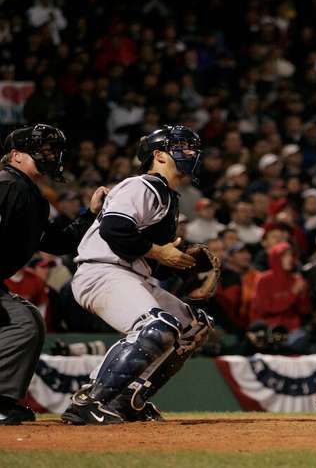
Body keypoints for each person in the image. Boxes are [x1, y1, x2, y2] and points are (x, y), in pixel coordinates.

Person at [60, 125, 214, 425]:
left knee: (194, 326)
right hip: (101, 270)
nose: (191, 153)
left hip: (129, 274)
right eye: (182, 147)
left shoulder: (169, 197)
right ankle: (89, 400)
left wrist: (184, 267)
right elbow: (114, 229)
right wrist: (160, 252)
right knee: (157, 326)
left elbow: (147, 259)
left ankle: (126, 398)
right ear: (158, 155)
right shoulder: (141, 185)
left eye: (193, 147)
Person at [0, 124, 107, 426]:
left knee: (26, 320)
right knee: (21, 322)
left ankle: (5, 400)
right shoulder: (7, 184)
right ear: (16, 155)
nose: (50, 155)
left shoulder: (29, 193)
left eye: (52, 150)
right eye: (42, 150)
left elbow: (59, 243)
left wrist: (90, 214)